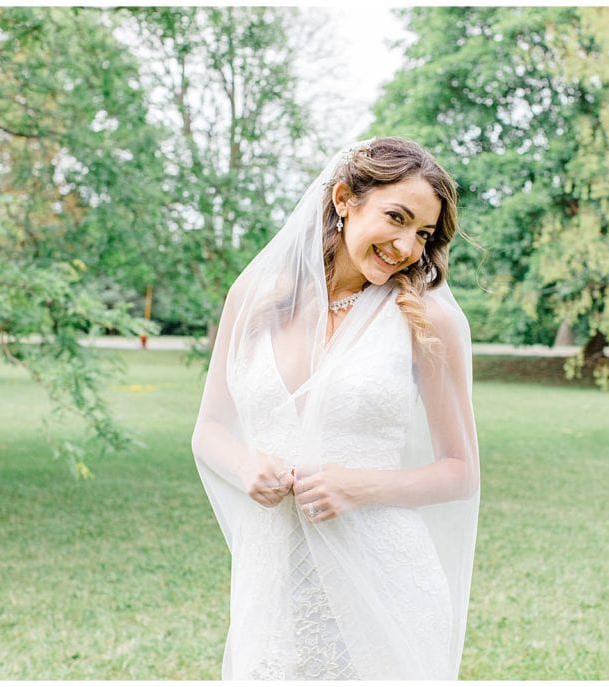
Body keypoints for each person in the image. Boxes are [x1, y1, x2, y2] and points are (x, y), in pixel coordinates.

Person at [190, 136, 480, 680]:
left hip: (384, 579)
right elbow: (208, 430)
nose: (406, 247)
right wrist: (246, 466)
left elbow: (460, 473)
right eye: (396, 217)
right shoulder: (253, 296)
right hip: (274, 580)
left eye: (422, 234)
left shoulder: (426, 322)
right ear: (345, 198)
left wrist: (360, 485)